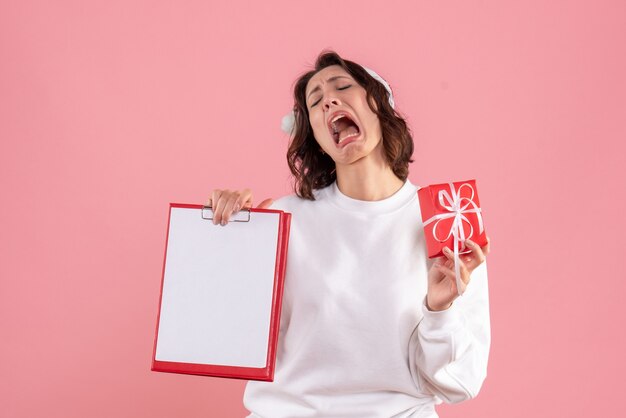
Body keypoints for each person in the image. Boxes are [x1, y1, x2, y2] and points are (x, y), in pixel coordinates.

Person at [207, 51, 491, 418]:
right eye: (315, 101)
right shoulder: (281, 217)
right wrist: (225, 240)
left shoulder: (448, 219)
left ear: (379, 105)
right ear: (315, 135)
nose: (329, 99)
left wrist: (440, 310)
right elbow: (231, 336)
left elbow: (461, 382)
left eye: (343, 86)